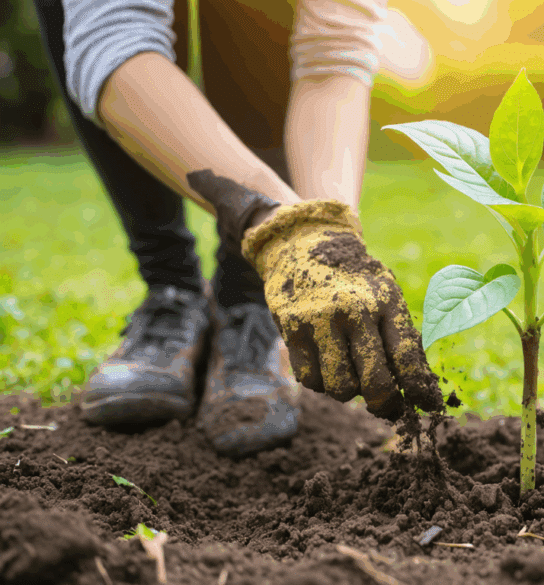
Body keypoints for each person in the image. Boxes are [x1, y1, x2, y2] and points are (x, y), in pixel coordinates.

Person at [31, 0, 443, 457]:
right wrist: (279, 225)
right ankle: (172, 290)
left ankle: (247, 305)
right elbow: (113, 39)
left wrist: (328, 240)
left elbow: (334, 54)